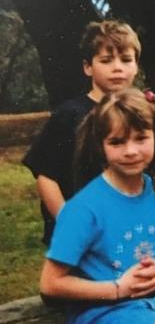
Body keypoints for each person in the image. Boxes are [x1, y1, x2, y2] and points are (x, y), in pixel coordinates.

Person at [39, 88, 155, 324]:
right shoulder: (83, 209)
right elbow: (50, 284)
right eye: (116, 142)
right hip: (104, 310)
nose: (131, 151)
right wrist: (117, 289)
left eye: (141, 138)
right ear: (101, 145)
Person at [23, 20, 140, 245]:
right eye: (106, 60)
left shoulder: (142, 114)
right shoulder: (70, 114)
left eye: (126, 60)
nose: (117, 67)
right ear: (88, 67)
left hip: (127, 230)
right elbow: (46, 175)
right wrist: (70, 223)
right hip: (79, 237)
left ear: (136, 65)